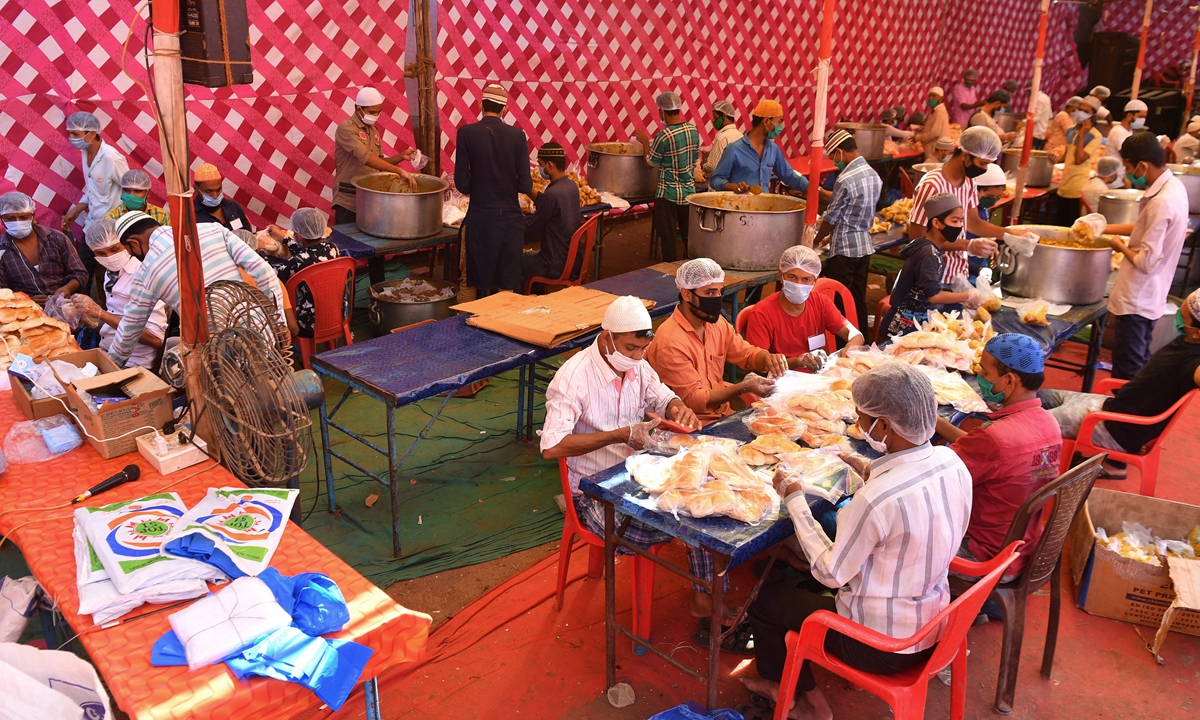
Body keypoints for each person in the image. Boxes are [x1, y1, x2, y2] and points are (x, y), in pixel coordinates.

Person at [742, 363, 971, 720]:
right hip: (939, 626)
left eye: (863, 418)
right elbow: (913, 508)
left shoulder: (877, 500)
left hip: (883, 646)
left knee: (764, 599)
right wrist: (866, 467)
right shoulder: (952, 462)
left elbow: (830, 574)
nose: (859, 425)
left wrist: (794, 497)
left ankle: (806, 702)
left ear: (884, 426)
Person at [538, 296, 741, 628]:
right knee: (686, 518)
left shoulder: (637, 364)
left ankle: (704, 598)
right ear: (607, 339)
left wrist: (677, 408)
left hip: (638, 475)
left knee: (707, 500)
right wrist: (618, 435)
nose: (636, 357)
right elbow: (551, 447)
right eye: (630, 348)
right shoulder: (573, 379)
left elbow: (661, 397)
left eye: (641, 349)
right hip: (593, 495)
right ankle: (703, 597)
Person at [934, 334, 1062, 581]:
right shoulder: (1049, 424)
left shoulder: (995, 439)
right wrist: (936, 421)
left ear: (1009, 381)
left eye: (985, 372)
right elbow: (984, 451)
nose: (980, 379)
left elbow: (932, 477)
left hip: (982, 555)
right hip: (1024, 547)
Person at [1041, 289, 1200, 479]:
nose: (1178, 321)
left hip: (1115, 428)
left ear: (1197, 333)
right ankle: (1114, 464)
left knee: (1032, 423)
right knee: (1042, 397)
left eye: (1183, 318)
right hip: (1111, 409)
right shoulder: (1187, 341)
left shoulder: (1193, 363)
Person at [106, 211, 283, 367]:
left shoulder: (145, 274)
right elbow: (264, 272)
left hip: (219, 354)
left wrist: (112, 364)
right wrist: (277, 321)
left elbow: (130, 327)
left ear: (133, 243)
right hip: (262, 333)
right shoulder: (212, 229)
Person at [646, 259, 786, 423]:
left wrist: (767, 358)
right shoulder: (670, 341)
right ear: (686, 294)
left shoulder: (717, 324)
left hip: (723, 414)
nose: (717, 299)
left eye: (720, 292)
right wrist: (743, 387)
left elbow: (747, 355)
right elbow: (694, 399)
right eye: (710, 293)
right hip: (692, 424)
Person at [1102, 132, 1191, 380]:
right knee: (1137, 360)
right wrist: (1104, 227)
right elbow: (1143, 226)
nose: (1128, 173)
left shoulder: (1163, 201)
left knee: (1128, 367)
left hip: (1137, 299)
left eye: (1129, 167)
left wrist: (1119, 246)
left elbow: (1146, 262)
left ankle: (1122, 416)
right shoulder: (1174, 187)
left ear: (1142, 165)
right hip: (1151, 294)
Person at [455, 83, 534, 294]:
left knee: (470, 283)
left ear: (480, 105)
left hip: (479, 221)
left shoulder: (466, 133)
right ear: (505, 110)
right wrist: (505, 183)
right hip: (510, 223)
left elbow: (462, 184)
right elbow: (526, 185)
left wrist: (482, 183)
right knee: (506, 286)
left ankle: (462, 327)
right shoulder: (518, 136)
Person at [907, 126, 1004, 284]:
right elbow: (917, 238)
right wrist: (968, 245)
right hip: (933, 275)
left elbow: (973, 222)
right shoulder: (932, 185)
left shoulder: (969, 181)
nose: (984, 169)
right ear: (966, 156)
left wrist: (1010, 234)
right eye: (982, 163)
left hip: (958, 273)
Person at [744, 246, 864, 370]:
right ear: (781, 275)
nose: (798, 285)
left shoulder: (821, 303)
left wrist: (851, 347)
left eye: (806, 279)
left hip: (820, 378)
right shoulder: (762, 313)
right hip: (781, 382)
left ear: (815, 280)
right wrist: (799, 361)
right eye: (792, 277)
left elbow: (856, 335)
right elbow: (759, 365)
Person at [70, 219, 167, 370]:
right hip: (108, 352)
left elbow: (155, 339)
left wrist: (100, 313)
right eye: (101, 253)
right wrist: (86, 317)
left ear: (127, 244)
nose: (109, 256)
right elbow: (115, 321)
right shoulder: (110, 274)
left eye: (114, 249)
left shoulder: (144, 277)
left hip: (134, 362)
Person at [884, 193, 981, 337]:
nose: (959, 226)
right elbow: (934, 296)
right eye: (954, 221)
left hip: (916, 321)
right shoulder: (928, 254)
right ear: (936, 223)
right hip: (902, 326)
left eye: (961, 221)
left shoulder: (931, 248)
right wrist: (968, 296)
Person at [812, 129, 881, 331]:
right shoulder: (873, 174)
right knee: (857, 298)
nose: (834, 161)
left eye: (833, 156)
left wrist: (816, 240)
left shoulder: (845, 178)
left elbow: (831, 218)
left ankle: (842, 345)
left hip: (844, 251)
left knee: (840, 301)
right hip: (864, 247)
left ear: (840, 151)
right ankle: (862, 343)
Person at [332, 86, 417, 226]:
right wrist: (400, 171)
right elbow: (366, 158)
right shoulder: (346, 128)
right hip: (348, 199)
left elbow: (378, 161)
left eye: (378, 112)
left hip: (370, 198)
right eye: (372, 112)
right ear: (359, 109)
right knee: (347, 243)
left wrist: (401, 156)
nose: (376, 116)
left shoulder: (374, 131)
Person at [634, 92, 700, 263]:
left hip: (667, 195)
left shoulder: (664, 136)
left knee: (668, 238)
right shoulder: (693, 130)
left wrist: (645, 143)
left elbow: (650, 163)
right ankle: (691, 271)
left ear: (662, 111)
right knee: (688, 236)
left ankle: (670, 271)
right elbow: (693, 159)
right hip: (688, 194)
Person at [266, 208, 343, 339]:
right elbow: (309, 254)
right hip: (338, 316)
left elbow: (269, 272)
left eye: (295, 234)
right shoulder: (333, 248)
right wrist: (285, 239)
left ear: (300, 237)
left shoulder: (299, 262)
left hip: (310, 323)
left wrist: (262, 252)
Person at [0, 191, 87, 304]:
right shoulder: (2, 249)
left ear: (33, 216)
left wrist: (67, 289)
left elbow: (80, 273)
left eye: (23, 217)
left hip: (65, 305)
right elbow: (3, 291)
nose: (18, 222)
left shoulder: (56, 238)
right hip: (24, 312)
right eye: (10, 218)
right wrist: (27, 301)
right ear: (2, 219)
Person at [709, 99, 809, 196]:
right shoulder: (734, 149)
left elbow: (789, 175)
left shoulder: (773, 150)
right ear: (766, 122)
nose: (781, 127)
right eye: (779, 121)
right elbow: (716, 180)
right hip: (739, 208)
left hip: (763, 209)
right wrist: (733, 186)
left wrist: (812, 188)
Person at [521, 143, 582, 286]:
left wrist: (513, 220)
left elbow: (532, 230)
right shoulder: (571, 186)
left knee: (508, 263)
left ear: (550, 165)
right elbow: (546, 203)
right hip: (572, 260)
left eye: (541, 164)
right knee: (527, 256)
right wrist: (527, 189)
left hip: (554, 264)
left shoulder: (552, 194)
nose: (540, 169)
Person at [61, 111, 129, 235]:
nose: (71, 138)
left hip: (112, 228)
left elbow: (130, 191)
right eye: (69, 133)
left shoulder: (112, 157)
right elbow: (93, 190)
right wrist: (75, 211)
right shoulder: (85, 152)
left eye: (75, 134)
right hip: (92, 223)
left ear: (92, 134)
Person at [1054, 96, 1103, 227]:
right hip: (1063, 186)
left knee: (1072, 227)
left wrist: (1082, 134)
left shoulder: (1095, 136)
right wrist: (1053, 159)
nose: (1081, 113)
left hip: (1078, 188)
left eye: (1086, 111)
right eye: (1080, 109)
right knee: (1059, 225)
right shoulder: (1071, 130)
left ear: (1093, 114)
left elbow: (1079, 159)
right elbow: (1066, 155)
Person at [192, 163, 252, 232]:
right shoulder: (190, 216)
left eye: (218, 190)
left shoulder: (234, 207)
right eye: (208, 191)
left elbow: (248, 236)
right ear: (196, 189)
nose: (215, 196)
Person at [105, 169, 170, 225]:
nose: (131, 195)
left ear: (148, 193)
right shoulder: (110, 218)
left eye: (137, 191)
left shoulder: (161, 215)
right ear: (122, 190)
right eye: (127, 190)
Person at [701, 100, 742, 181]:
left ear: (724, 116)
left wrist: (704, 164)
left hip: (720, 186)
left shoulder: (722, 137)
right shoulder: (740, 135)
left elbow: (713, 167)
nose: (712, 120)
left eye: (715, 117)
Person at [916, 87, 950, 160]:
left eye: (934, 96)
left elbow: (935, 133)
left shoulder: (939, 112)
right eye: (930, 96)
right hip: (933, 148)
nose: (931, 98)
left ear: (941, 98)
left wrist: (918, 137)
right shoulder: (935, 111)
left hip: (934, 148)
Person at [1044, 96, 1082, 163]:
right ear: (1072, 106)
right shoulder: (1063, 115)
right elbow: (1070, 133)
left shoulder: (1069, 116)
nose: (1078, 112)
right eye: (1078, 109)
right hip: (1055, 149)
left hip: (1059, 149)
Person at [1028, 83, 1053, 150]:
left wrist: (1024, 122)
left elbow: (1036, 118)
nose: (1028, 93)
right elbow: (1050, 115)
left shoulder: (1038, 99)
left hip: (1035, 132)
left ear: (1032, 89)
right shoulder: (1046, 97)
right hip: (1042, 132)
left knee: (1031, 154)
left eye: (1028, 91)